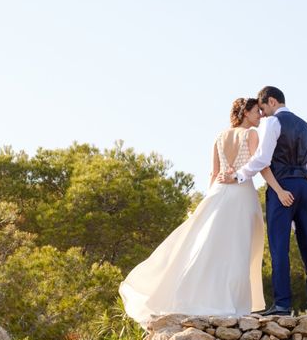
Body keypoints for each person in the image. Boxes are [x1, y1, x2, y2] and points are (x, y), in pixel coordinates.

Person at [119, 98, 288, 327]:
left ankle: (203, 298)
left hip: (218, 193)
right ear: (246, 112)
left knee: (210, 248)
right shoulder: (250, 135)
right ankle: (232, 305)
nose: (260, 115)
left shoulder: (219, 137)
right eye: (257, 111)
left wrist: (208, 201)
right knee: (237, 248)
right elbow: (261, 166)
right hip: (240, 195)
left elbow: (213, 173)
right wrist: (278, 190)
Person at [219, 86, 307, 316]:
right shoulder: (306, 126)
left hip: (282, 186)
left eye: (264, 107)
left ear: (273, 101)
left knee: (279, 247)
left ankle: (283, 305)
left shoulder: (273, 123)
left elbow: (263, 158)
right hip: (305, 186)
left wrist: (238, 175)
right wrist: (303, 194)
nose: (263, 113)